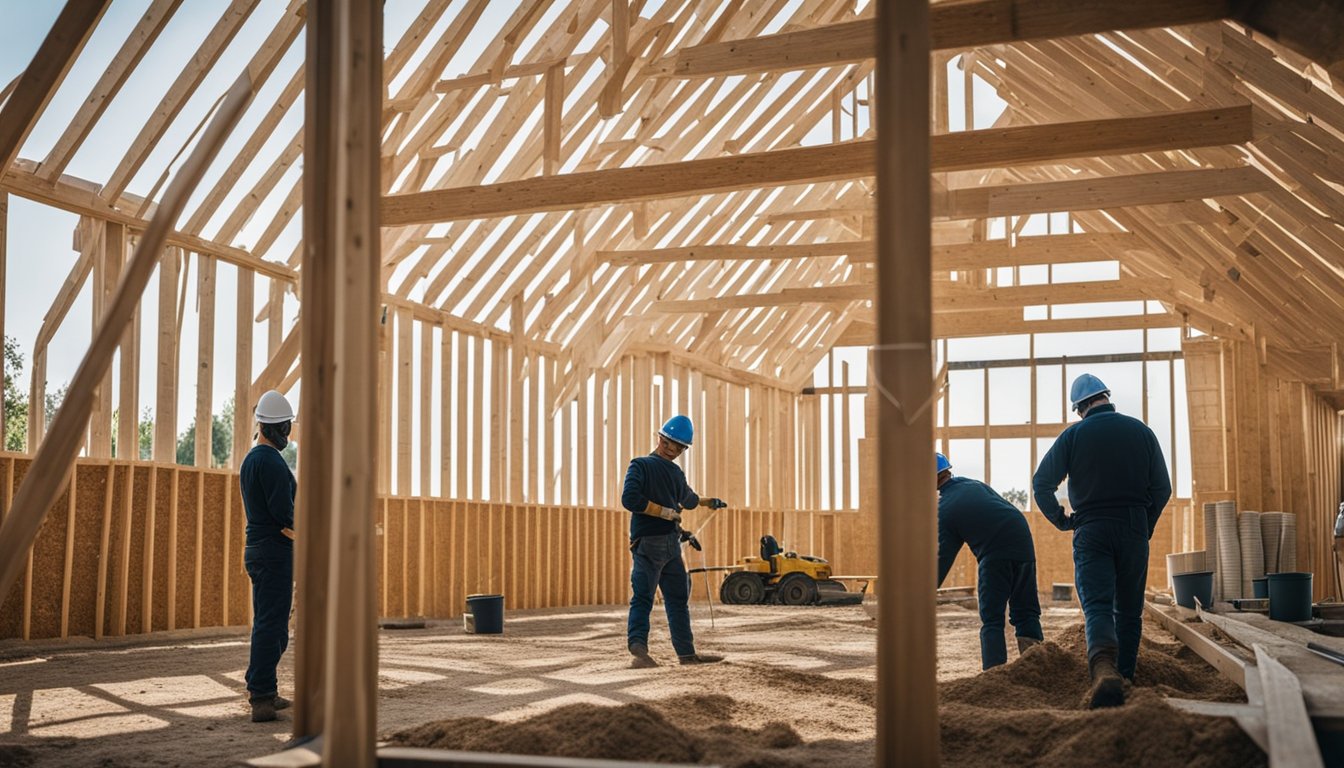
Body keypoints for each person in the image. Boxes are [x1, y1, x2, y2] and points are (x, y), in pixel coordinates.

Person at [1033, 374, 1171, 708]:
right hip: (1133, 526)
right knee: (1129, 611)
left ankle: (1103, 670)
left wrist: (1063, 520)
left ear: (1080, 407)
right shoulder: (1141, 431)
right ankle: (1125, 676)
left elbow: (1041, 484)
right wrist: (1144, 525)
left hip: (1091, 528)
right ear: (1107, 397)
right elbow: (1162, 489)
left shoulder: (1074, 435)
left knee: (1097, 606)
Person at [621, 415, 727, 669]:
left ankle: (639, 648)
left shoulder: (640, 466)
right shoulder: (671, 471)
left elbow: (632, 499)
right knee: (677, 601)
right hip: (669, 546)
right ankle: (686, 654)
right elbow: (688, 500)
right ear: (662, 441)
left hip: (650, 544)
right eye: (675, 446)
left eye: (679, 448)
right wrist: (665, 511)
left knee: (644, 598)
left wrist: (705, 501)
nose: (675, 451)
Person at [935, 453, 1043, 670]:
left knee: (992, 618)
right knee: (1026, 611)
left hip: (995, 553)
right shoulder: (973, 484)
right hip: (1022, 542)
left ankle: (995, 676)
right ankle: (1039, 669)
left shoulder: (946, 508)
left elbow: (943, 557)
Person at [240, 389, 298, 722]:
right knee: (272, 624)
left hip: (257, 549)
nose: (287, 435)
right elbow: (284, 514)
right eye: (285, 428)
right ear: (271, 428)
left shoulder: (251, 459)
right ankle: (261, 696)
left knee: (268, 622)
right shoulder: (272, 462)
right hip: (275, 551)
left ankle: (264, 687)